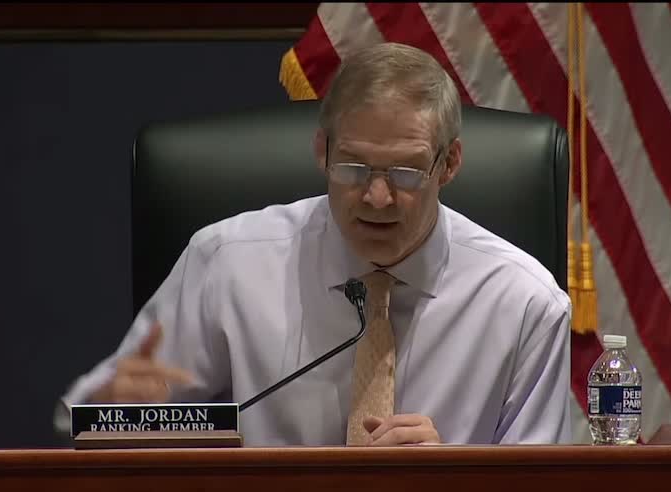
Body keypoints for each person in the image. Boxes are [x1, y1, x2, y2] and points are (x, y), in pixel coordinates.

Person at [56, 42, 572, 446]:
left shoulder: (525, 303)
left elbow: (547, 483)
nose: (377, 196)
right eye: (352, 167)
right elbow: (87, 426)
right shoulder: (228, 265)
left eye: (406, 173)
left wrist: (450, 479)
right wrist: (110, 413)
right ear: (321, 151)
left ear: (450, 164)